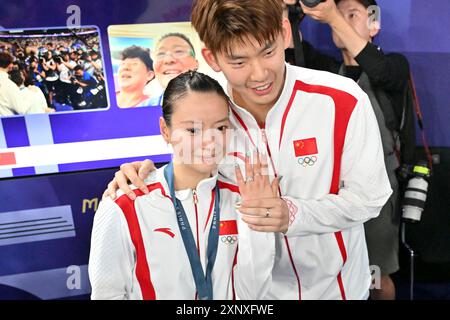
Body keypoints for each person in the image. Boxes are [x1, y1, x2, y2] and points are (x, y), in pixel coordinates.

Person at [104, 0, 392, 300]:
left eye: (267, 52)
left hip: (339, 291)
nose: (259, 75)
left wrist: (292, 215)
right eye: (238, 62)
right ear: (211, 57)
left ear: (283, 33)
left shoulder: (341, 100)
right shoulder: (206, 104)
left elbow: (370, 198)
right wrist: (142, 174)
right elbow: (183, 170)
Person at [89, 71, 277, 300]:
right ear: (165, 130)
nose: (210, 141)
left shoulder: (243, 197)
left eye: (220, 128)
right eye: (193, 130)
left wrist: (259, 222)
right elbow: (107, 295)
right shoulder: (124, 204)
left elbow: (253, 295)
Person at [285, 0, 409, 300]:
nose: (340, 20)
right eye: (338, 14)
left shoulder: (394, 65)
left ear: (374, 23)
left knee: (376, 274)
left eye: (351, 14)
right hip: (331, 191)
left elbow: (377, 71)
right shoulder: (327, 71)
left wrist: (331, 16)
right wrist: (289, 9)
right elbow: (288, 51)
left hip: (379, 192)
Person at [146, 33, 200, 106]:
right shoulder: (139, 110)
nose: (168, 59)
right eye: (160, 54)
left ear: (196, 64)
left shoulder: (217, 106)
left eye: (179, 51)